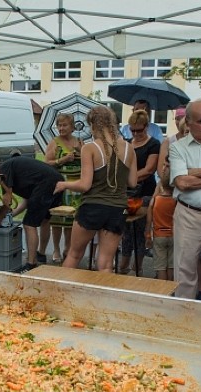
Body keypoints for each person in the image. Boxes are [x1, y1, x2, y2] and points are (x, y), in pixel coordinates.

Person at [55, 106, 137, 272]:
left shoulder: (90, 148)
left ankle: (60, 295)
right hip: (117, 209)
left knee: (74, 255)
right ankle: (102, 297)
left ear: (93, 125)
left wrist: (64, 184)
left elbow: (84, 185)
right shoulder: (129, 148)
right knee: (106, 263)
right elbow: (132, 182)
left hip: (93, 207)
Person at [169, 99, 201, 300]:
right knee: (184, 269)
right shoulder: (178, 147)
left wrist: (196, 171)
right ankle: (183, 317)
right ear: (188, 123)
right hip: (188, 213)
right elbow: (182, 183)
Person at [0, 156, 63, 271]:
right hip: (58, 181)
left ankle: (31, 264)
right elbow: (27, 201)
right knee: (44, 220)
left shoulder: (4, 169)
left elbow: (7, 200)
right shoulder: (20, 171)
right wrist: (11, 215)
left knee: (29, 225)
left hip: (46, 183)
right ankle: (41, 255)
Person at [118, 110, 160, 275]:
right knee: (126, 230)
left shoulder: (154, 144)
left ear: (147, 127)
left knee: (140, 230)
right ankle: (124, 264)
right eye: (132, 130)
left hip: (145, 193)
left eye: (139, 130)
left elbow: (149, 170)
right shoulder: (127, 143)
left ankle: (138, 266)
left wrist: (129, 178)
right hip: (127, 193)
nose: (135, 134)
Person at [44, 113, 83, 264]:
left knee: (71, 220)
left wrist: (80, 151)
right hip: (61, 185)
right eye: (59, 125)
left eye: (64, 125)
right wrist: (63, 159)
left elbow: (88, 160)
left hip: (76, 186)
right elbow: (46, 163)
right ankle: (56, 249)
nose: (61, 128)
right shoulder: (54, 142)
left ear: (73, 127)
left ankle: (68, 248)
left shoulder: (79, 141)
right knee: (58, 219)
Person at [144, 182, 176, 280]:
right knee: (171, 265)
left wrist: (148, 235)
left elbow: (149, 220)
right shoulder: (175, 200)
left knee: (160, 266)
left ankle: (162, 289)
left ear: (161, 187)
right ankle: (171, 289)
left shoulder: (155, 201)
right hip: (173, 235)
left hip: (159, 235)